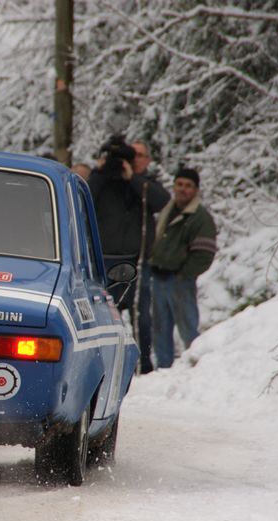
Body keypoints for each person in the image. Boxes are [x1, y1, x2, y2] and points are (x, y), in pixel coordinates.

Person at [87, 136, 170, 374]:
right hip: (102, 260)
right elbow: (84, 201)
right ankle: (100, 364)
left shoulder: (142, 183)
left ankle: (144, 364)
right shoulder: (99, 180)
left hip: (135, 260)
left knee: (141, 316)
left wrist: (131, 178)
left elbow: (162, 202)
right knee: (100, 314)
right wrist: (99, 173)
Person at [150, 168, 217, 369]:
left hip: (180, 281)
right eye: (179, 184)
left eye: (188, 186)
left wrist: (184, 274)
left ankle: (196, 367)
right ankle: (163, 368)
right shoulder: (167, 210)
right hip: (159, 277)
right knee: (160, 329)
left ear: (196, 190)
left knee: (188, 328)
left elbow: (205, 254)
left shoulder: (200, 217)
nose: (183, 189)